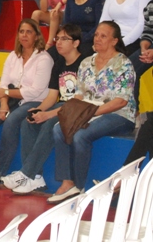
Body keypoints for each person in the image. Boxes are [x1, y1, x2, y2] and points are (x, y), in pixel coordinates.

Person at [49, 21, 136, 204]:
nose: (97, 39)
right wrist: (73, 112)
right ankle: (67, 183)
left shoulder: (124, 64)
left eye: (103, 36)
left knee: (81, 135)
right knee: (59, 128)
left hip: (119, 115)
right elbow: (79, 95)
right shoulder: (86, 62)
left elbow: (121, 101)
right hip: (89, 111)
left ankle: (80, 187)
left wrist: (91, 113)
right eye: (96, 35)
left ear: (114, 41)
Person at [5, 24, 86, 194]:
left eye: (64, 39)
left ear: (76, 43)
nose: (59, 43)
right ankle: (36, 178)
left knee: (50, 124)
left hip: (77, 107)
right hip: (61, 105)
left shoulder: (84, 64)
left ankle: (26, 172)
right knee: (29, 121)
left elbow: (78, 100)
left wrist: (48, 115)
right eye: (57, 38)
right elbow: (52, 96)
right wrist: (38, 110)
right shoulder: (59, 64)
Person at [0, 19, 53, 187]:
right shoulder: (13, 56)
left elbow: (35, 91)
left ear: (37, 36)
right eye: (21, 31)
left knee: (12, 121)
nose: (24, 35)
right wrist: (3, 104)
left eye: (29, 32)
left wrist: (7, 93)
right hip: (10, 100)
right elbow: (3, 84)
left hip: (34, 101)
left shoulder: (44, 59)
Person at [127, 0, 153, 108]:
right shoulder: (151, 6)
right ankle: (132, 110)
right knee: (129, 67)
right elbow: (148, 31)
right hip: (151, 47)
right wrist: (144, 48)